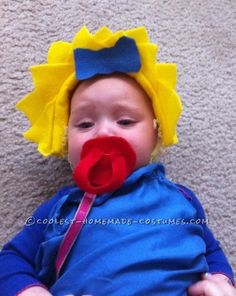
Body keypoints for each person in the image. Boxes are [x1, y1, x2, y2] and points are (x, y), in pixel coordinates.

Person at [0, 26, 235, 296]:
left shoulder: (182, 198)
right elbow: (10, 259)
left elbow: (211, 251)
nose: (103, 133)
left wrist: (220, 281)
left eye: (125, 121)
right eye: (85, 124)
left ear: (156, 134)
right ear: (65, 141)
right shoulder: (61, 206)